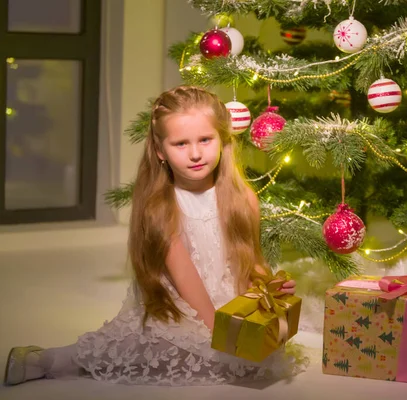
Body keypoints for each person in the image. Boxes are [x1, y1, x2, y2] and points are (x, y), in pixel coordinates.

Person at [4, 86, 308, 386]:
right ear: (161, 151)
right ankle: (50, 360)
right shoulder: (161, 206)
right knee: (149, 347)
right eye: (180, 144)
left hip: (227, 299)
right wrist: (219, 331)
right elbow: (185, 277)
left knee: (264, 353)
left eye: (205, 139)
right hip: (179, 303)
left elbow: (249, 259)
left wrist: (269, 288)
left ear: (223, 140)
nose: (195, 153)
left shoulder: (243, 199)